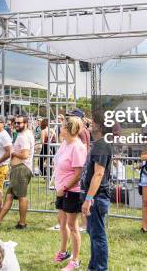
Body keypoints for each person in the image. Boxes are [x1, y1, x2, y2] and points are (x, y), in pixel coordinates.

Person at [52, 115, 87, 270]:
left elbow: (79, 173)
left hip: (72, 191)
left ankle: (75, 259)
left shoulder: (77, 147)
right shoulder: (65, 143)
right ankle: (63, 251)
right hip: (62, 189)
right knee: (62, 222)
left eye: (63, 126)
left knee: (72, 225)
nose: (60, 128)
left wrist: (65, 188)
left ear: (68, 129)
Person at [0, 115, 34, 229]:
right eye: (16, 123)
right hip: (18, 169)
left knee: (21, 197)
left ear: (26, 124)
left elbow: (25, 154)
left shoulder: (23, 137)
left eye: (19, 123)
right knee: (9, 197)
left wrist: (12, 153)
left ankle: (22, 223)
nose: (17, 125)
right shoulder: (25, 134)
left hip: (21, 169)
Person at [81, 113, 113, 271]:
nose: (90, 123)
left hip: (97, 197)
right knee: (94, 234)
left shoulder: (101, 145)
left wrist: (88, 198)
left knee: (98, 235)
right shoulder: (99, 143)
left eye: (93, 121)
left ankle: (100, 267)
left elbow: (98, 174)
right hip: (95, 196)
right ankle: (94, 266)